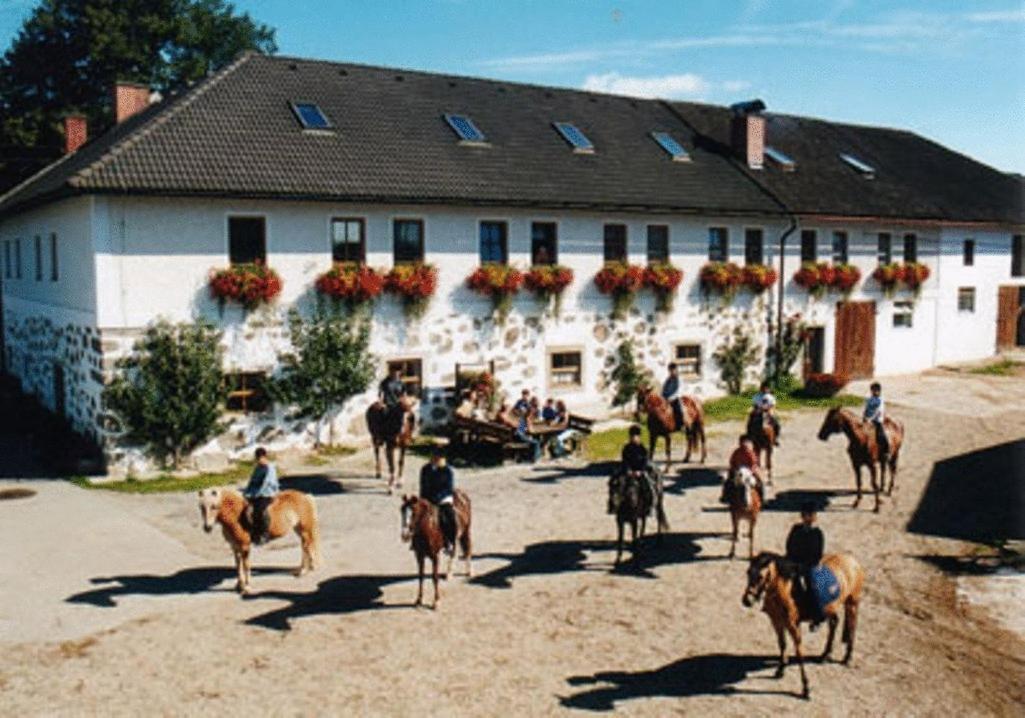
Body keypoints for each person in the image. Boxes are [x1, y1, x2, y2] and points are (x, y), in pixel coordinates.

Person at [785, 502, 826, 630]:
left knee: (811, 586)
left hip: (809, 566)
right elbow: (789, 545)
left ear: (814, 517)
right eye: (805, 515)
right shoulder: (796, 529)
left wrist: (804, 565)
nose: (807, 517)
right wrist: (791, 560)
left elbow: (817, 554)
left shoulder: (817, 533)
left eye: (810, 515)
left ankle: (817, 617)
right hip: (793, 562)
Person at [419, 445, 457, 553]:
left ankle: (450, 541)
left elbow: (449, 488)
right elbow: (422, 485)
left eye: (438, 457)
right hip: (427, 498)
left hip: (443, 498)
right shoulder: (425, 469)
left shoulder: (447, 471)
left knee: (448, 517)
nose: (435, 458)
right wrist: (422, 499)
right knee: (416, 516)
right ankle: (415, 541)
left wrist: (438, 498)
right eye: (434, 456)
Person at [242, 447, 280, 545]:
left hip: (267, 493)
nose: (259, 460)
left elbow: (268, 483)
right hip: (256, 493)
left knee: (260, 510)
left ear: (264, 457)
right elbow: (252, 481)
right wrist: (246, 493)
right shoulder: (258, 468)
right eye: (258, 458)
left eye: (260, 458)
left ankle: (264, 534)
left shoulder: (270, 468)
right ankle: (251, 531)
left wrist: (256, 494)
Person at [617, 425, 659, 512]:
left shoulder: (642, 448)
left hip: (640, 472)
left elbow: (645, 461)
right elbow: (625, 460)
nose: (633, 438)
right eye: (632, 436)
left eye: (635, 436)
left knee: (648, 485)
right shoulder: (626, 448)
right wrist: (628, 470)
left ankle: (650, 503)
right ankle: (615, 505)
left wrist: (640, 471)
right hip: (629, 472)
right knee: (617, 484)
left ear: (639, 437)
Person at [723, 434, 765, 503]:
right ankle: (726, 496)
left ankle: (762, 498)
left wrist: (751, 470)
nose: (744, 444)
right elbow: (732, 461)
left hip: (749, 470)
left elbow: (754, 462)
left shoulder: (750, 452)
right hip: (737, 470)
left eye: (745, 442)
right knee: (727, 481)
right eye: (742, 442)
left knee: (760, 482)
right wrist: (734, 469)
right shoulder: (736, 452)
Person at [751, 381, 782, 447]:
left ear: (768, 389)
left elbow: (773, 405)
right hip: (759, 410)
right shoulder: (756, 396)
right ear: (761, 388)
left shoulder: (771, 397)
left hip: (768, 411)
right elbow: (754, 405)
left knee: (777, 422)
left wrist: (769, 410)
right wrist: (757, 409)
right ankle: (750, 436)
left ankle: (775, 438)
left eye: (766, 388)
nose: (765, 390)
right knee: (751, 420)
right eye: (763, 388)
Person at [863, 382, 889, 459]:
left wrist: (871, 419)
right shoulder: (869, 399)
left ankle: (886, 451)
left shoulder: (880, 400)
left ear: (879, 391)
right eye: (873, 390)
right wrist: (865, 416)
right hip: (868, 419)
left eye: (876, 390)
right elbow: (866, 408)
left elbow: (878, 411)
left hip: (877, 420)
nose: (874, 392)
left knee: (881, 435)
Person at [661, 362, 684, 430]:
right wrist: (662, 396)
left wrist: (672, 398)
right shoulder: (668, 380)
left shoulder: (679, 379)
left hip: (676, 398)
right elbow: (664, 388)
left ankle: (680, 424)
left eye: (673, 370)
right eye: (670, 370)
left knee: (678, 408)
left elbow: (679, 391)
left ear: (676, 370)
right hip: (666, 398)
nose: (671, 372)